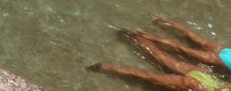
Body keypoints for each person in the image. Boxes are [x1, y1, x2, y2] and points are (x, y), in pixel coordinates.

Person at [90, 17, 230, 90]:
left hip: (199, 77)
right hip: (195, 81)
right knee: (149, 75)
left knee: (159, 61)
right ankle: (107, 67)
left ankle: (135, 38)